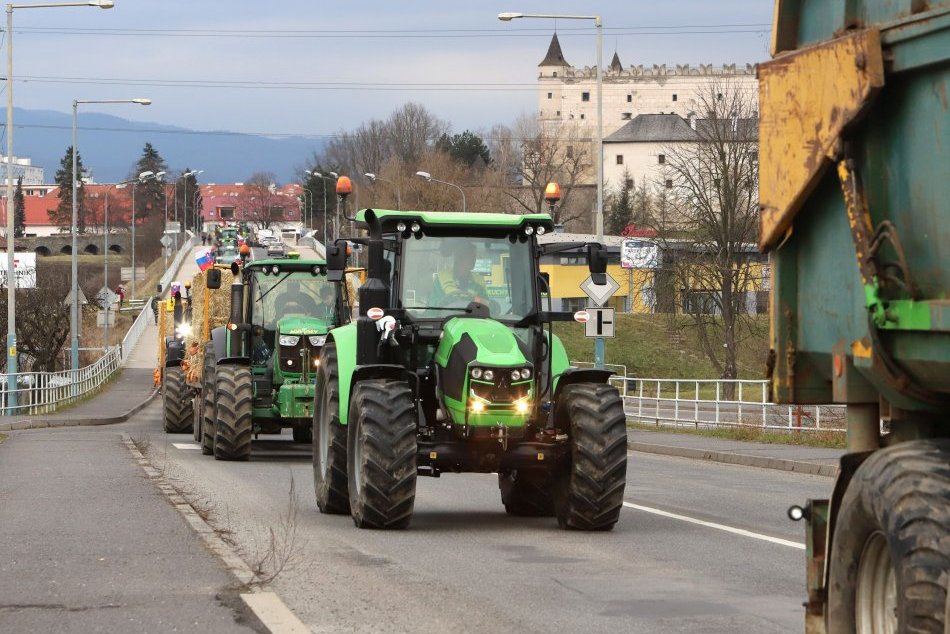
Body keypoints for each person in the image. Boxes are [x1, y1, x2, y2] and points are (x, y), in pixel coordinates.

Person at [430, 242, 488, 308]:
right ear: (459, 258)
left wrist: (485, 302)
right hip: (446, 317)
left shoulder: (479, 280)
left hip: (472, 317)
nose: (474, 260)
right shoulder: (442, 278)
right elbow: (432, 306)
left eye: (474, 257)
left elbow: (488, 306)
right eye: (470, 257)